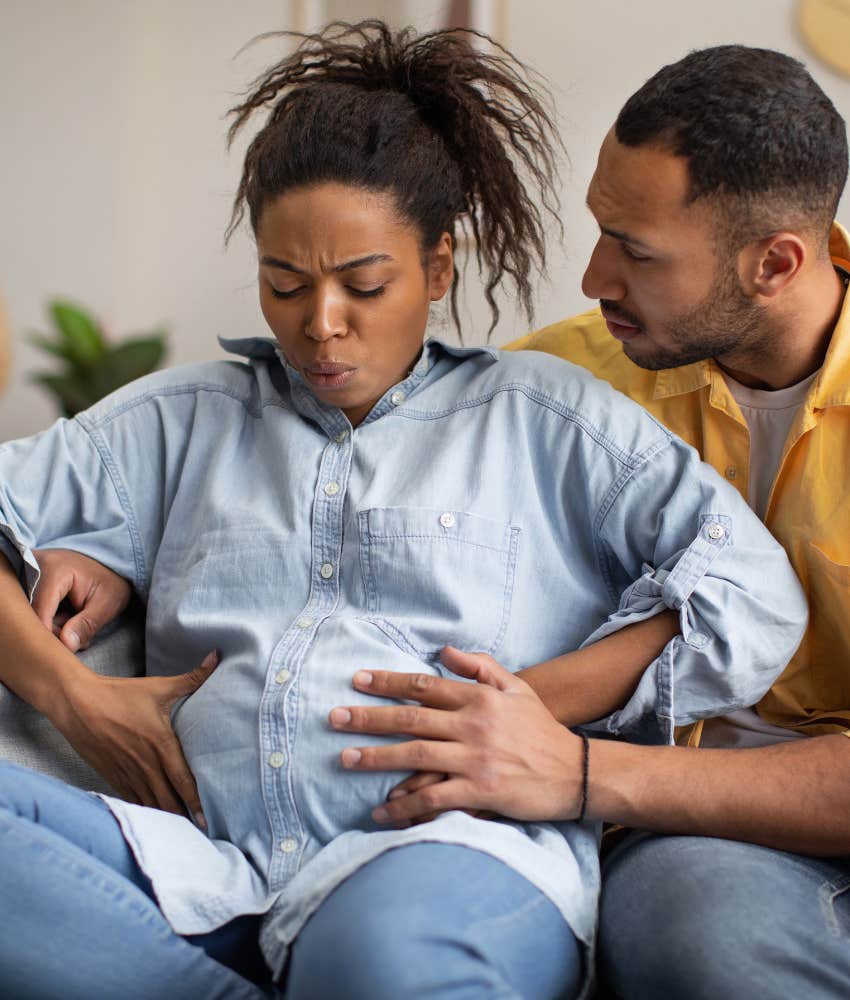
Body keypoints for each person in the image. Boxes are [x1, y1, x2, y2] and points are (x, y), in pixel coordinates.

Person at [1, 27, 806, 998]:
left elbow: (750, 592)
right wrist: (71, 692)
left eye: (365, 285)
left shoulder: (548, 413)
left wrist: (533, 703)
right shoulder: (184, 415)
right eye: (284, 284)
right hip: (200, 862)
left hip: (445, 850)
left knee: (378, 961)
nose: (320, 322)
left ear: (436, 267)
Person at [298, 45, 850, 1000]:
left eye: (637, 251)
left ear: (776, 263)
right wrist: (112, 552)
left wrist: (588, 775)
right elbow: (330, 470)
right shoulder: (565, 382)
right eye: (603, 232)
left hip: (653, 790)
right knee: (696, 927)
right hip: (693, 847)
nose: (595, 275)